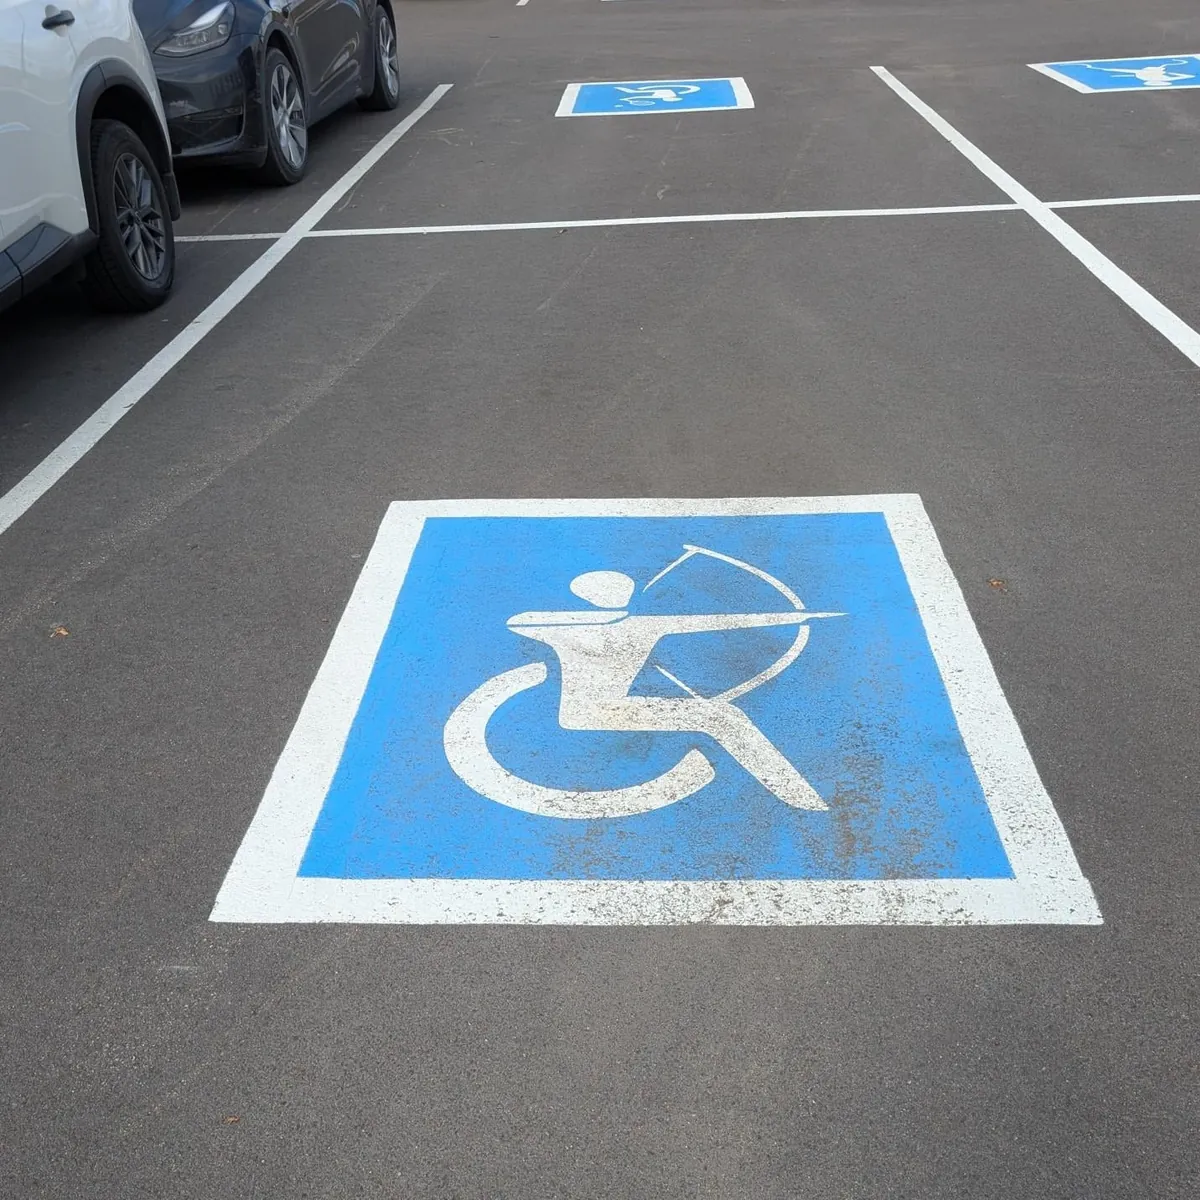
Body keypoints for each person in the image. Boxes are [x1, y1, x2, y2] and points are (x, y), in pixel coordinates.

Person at [506, 570, 839, 810]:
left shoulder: (645, 624)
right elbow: (517, 621)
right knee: (721, 716)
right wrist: (591, 621)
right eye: (607, 592)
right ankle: (798, 797)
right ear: (589, 597)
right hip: (583, 712)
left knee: (723, 715)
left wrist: (798, 617)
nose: (619, 595)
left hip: (621, 705)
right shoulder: (560, 626)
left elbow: (718, 622)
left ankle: (798, 794)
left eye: (623, 589)